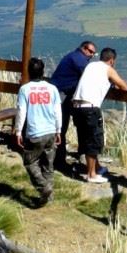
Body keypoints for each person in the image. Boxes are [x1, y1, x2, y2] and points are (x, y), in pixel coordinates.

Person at [72, 47, 127, 183]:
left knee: (85, 139)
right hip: (90, 108)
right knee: (94, 140)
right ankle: (91, 174)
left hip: (77, 106)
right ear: (111, 60)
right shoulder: (108, 69)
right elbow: (124, 87)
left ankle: (95, 167)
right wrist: (113, 83)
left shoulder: (91, 65)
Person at [14, 57, 62, 206]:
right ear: (43, 71)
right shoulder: (52, 88)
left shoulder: (25, 89)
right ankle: (49, 196)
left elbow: (22, 111)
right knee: (48, 165)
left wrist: (18, 131)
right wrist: (58, 130)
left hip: (35, 132)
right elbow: (57, 111)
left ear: (29, 72)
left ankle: (44, 188)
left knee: (30, 162)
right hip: (50, 131)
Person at [50, 40, 97, 170]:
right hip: (62, 95)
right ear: (84, 48)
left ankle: (63, 158)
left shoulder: (74, 56)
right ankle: (59, 161)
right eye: (90, 51)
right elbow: (89, 77)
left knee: (75, 124)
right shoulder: (79, 59)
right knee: (62, 127)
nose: (92, 55)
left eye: (94, 53)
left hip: (64, 94)